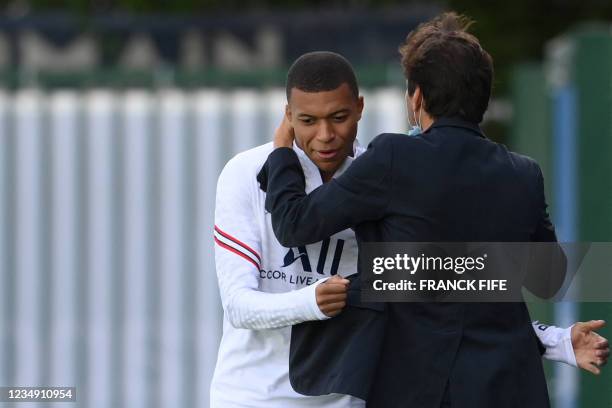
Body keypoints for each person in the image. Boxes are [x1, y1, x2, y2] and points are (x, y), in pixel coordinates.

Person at [210, 51, 608, 407]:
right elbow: (238, 305)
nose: (326, 135)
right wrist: (311, 301)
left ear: (364, 108)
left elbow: (447, 288)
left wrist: (555, 342)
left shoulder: (383, 175)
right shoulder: (246, 173)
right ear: (288, 115)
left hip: (346, 398)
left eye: (339, 117)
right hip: (252, 397)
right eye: (308, 121)